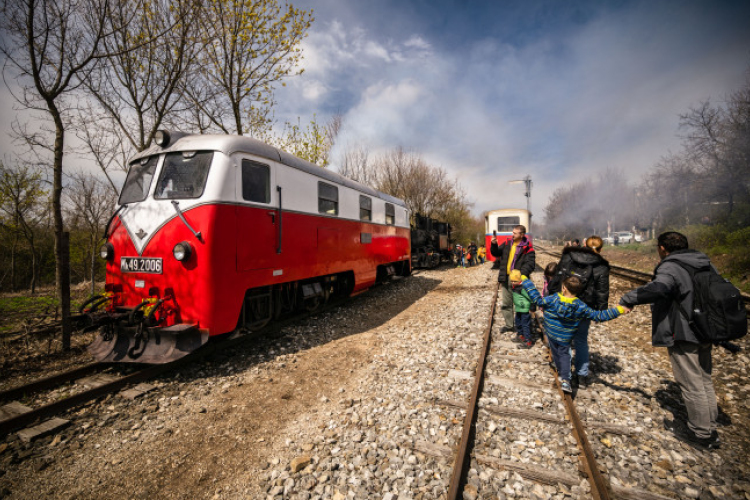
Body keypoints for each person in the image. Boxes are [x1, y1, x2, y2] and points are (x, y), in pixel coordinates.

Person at [619, 231, 720, 450]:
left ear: (662, 248)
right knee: (704, 378)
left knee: (691, 382)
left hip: (684, 330)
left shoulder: (671, 266)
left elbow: (659, 288)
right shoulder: (703, 262)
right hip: (706, 327)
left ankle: (702, 434)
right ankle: (710, 424)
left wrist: (629, 298)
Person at [521, 274, 628, 393]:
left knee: (556, 352)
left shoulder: (553, 299)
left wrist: (526, 281)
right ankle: (566, 380)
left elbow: (537, 299)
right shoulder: (580, 306)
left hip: (551, 333)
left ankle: (559, 367)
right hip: (565, 337)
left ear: (564, 288)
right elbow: (599, 316)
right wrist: (619, 310)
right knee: (564, 355)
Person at [548, 235, 610, 388]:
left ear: (584, 244)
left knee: (564, 339)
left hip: (564, 303)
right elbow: (602, 291)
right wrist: (601, 312)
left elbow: (557, 278)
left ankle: (564, 372)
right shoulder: (601, 266)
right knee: (581, 340)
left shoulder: (569, 256)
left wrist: (552, 298)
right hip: (584, 306)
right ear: (601, 249)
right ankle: (581, 375)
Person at [490, 225, 536, 332]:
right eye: (513, 232)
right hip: (506, 278)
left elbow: (530, 264)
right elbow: (496, 253)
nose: (512, 235)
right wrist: (494, 245)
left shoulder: (528, 248)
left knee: (520, 305)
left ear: (522, 234)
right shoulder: (507, 243)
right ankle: (509, 325)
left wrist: (519, 275)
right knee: (506, 303)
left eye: (515, 233)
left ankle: (521, 328)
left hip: (519, 281)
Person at [509, 270, 533, 348]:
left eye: (514, 281)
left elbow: (530, 296)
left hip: (524, 309)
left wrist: (532, 305)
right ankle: (521, 336)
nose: (512, 282)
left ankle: (528, 341)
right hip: (519, 309)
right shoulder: (515, 286)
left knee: (525, 325)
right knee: (518, 322)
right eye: (511, 281)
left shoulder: (522, 288)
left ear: (519, 280)